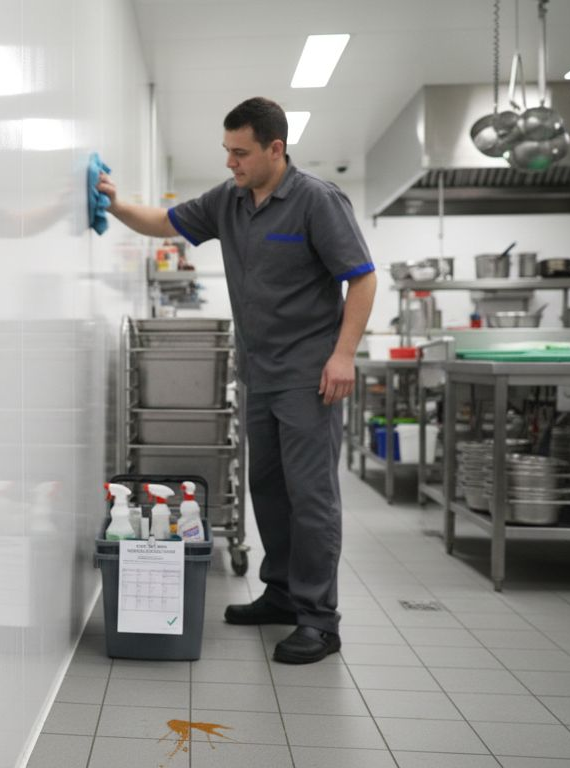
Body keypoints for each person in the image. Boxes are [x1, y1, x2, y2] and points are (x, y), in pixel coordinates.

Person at [97, 97, 376, 664]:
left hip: (310, 377)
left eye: (240, 152)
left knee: (312, 498)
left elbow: (363, 280)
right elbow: (163, 224)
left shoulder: (317, 202)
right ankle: (281, 595)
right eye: (227, 151)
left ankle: (320, 621)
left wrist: (344, 356)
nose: (231, 163)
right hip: (260, 374)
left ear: (276, 149)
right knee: (268, 492)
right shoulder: (229, 201)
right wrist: (116, 202)